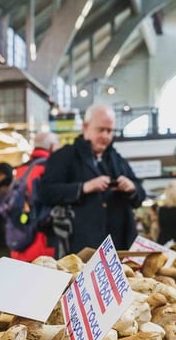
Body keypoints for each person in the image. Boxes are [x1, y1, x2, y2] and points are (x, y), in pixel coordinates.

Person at [40, 104, 145, 255]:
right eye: (100, 129)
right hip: (79, 249)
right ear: (85, 127)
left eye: (109, 131)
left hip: (120, 248)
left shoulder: (117, 160)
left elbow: (140, 195)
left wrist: (131, 187)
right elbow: (46, 192)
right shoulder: (64, 157)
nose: (106, 136)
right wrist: (84, 187)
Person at [11, 131, 59, 262]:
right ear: (51, 147)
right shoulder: (50, 168)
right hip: (42, 241)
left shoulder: (20, 170)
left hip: (20, 241)